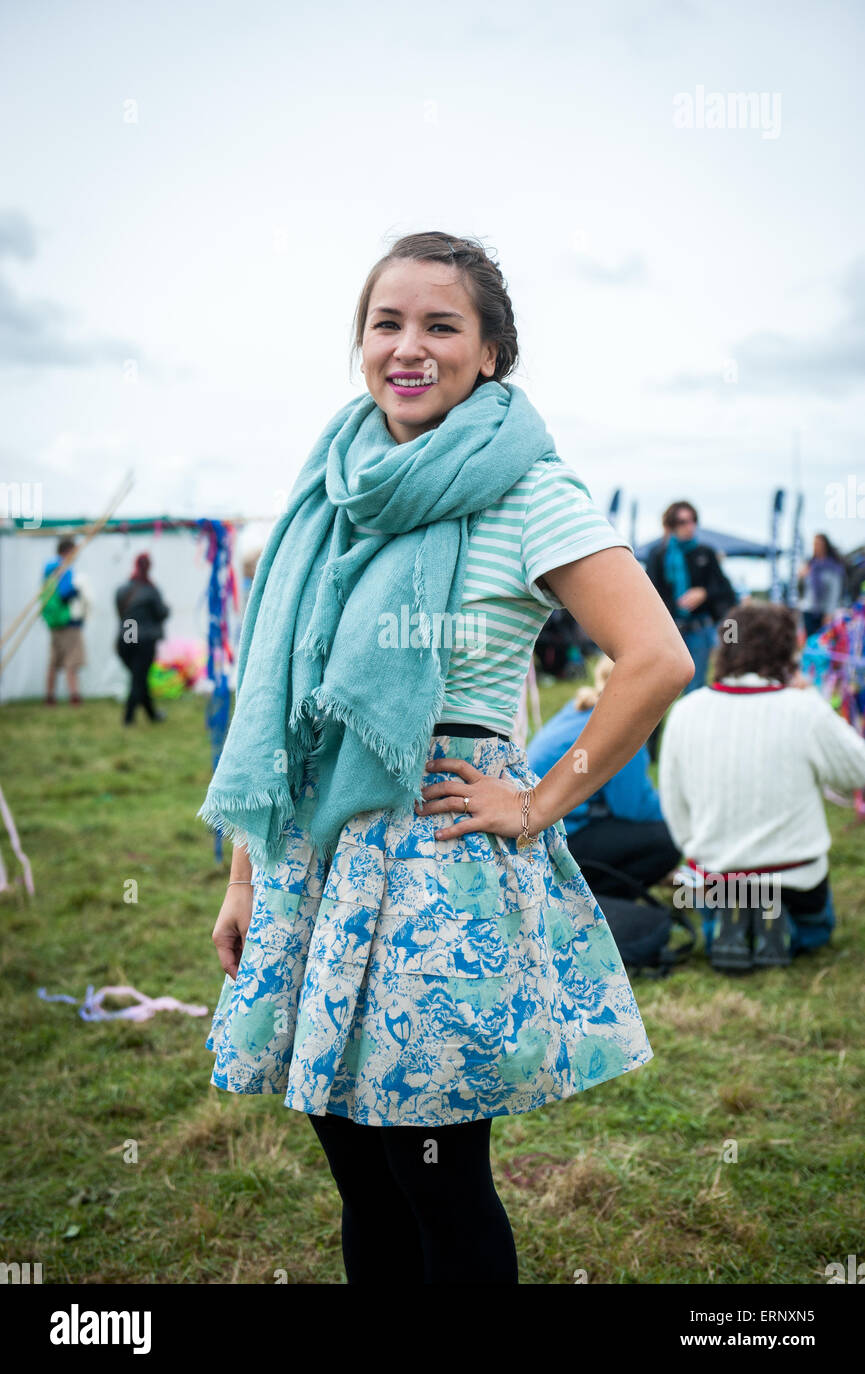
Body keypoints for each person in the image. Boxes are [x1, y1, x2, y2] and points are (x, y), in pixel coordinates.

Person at [200, 231, 694, 1286]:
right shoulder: (333, 486)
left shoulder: (526, 490)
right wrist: (247, 871)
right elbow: (281, 699)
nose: (408, 347)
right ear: (362, 341)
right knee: (357, 1177)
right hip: (312, 858)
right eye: (387, 322)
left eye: (440, 324)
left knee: (435, 1179)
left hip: (436, 858)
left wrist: (535, 802)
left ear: (490, 352)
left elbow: (656, 659)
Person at [658, 600, 865, 971]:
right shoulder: (804, 709)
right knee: (816, 931)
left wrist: (698, 852)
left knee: (721, 892)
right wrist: (813, 699)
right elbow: (858, 770)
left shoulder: (686, 711)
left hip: (718, 878)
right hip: (795, 878)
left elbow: (674, 804)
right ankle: (780, 922)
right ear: (788, 653)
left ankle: (735, 919)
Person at [527, 653, 680, 898]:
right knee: (667, 840)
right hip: (556, 839)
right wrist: (682, 808)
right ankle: (597, 902)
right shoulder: (623, 725)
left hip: (537, 830)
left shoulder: (582, 708)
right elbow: (632, 809)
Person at [645, 500, 738, 692]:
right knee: (662, 687)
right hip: (669, 630)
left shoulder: (705, 552)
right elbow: (650, 593)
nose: (690, 526)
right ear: (671, 525)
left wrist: (703, 593)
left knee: (695, 685)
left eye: (692, 520)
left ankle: (691, 719)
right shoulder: (658, 555)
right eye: (683, 521)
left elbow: (725, 591)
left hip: (699, 628)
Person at [115, 552, 170, 725]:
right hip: (144, 639)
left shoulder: (123, 589)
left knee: (138, 677)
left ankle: (152, 714)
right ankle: (129, 717)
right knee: (138, 678)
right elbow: (161, 613)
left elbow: (121, 613)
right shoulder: (151, 590)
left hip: (127, 636)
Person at [41, 536, 88, 706]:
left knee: (53, 661)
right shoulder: (65, 568)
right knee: (71, 661)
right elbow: (65, 593)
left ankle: (50, 696)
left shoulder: (48, 568)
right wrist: (77, 590)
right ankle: (74, 695)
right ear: (68, 551)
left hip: (52, 621)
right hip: (68, 621)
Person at [798, 533, 847, 637]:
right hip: (809, 609)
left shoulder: (833, 567)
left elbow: (835, 592)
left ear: (825, 545)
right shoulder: (811, 565)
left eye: (818, 544)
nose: (816, 546)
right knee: (810, 641)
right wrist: (801, 576)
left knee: (823, 641)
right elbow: (804, 589)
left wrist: (829, 613)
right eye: (814, 544)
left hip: (824, 611)